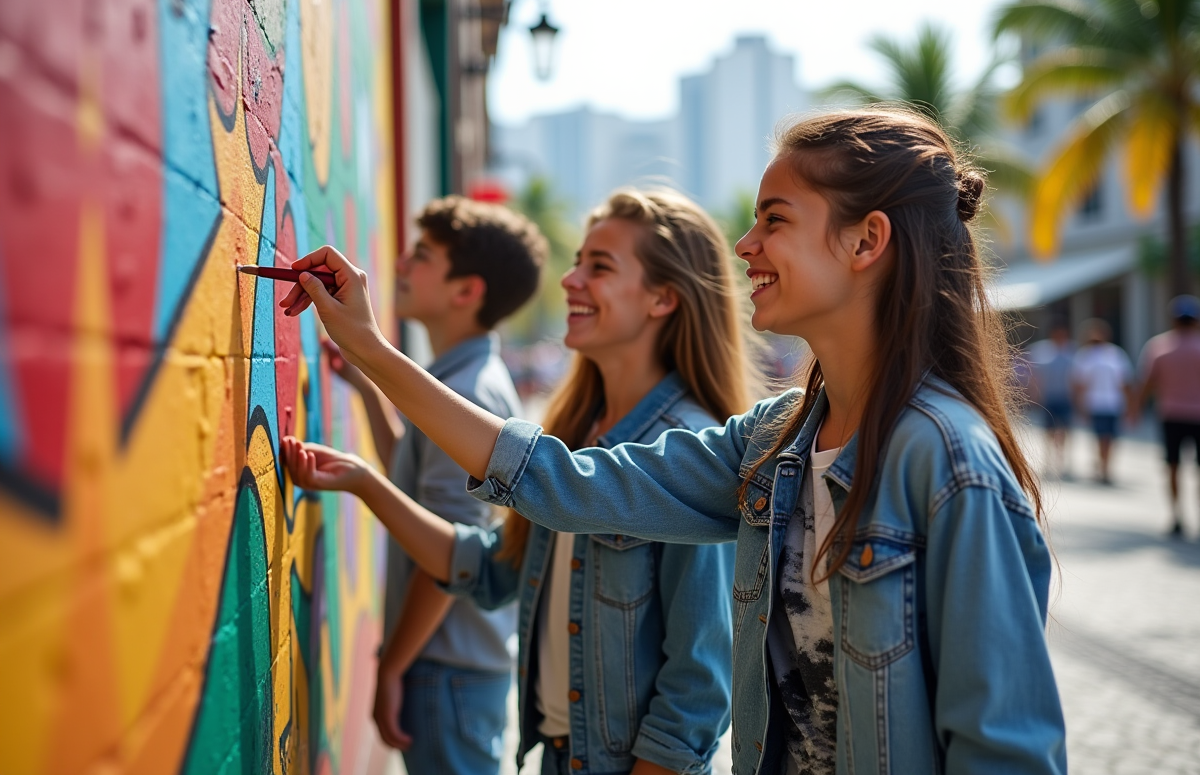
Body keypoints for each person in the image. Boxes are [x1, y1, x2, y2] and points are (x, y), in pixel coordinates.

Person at [279, 108, 1067, 774]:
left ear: (866, 243)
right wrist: (374, 352)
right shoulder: (771, 443)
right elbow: (558, 481)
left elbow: (1005, 751)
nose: (746, 244)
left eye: (775, 219)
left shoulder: (951, 462)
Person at [286, 189, 745, 775]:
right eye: (577, 260)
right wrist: (365, 483)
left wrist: (370, 348)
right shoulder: (576, 433)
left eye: (598, 267)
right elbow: (493, 570)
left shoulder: (687, 450)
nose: (571, 280)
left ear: (663, 298)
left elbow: (699, 688)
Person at [321, 196, 546, 774]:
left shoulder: (468, 391)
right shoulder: (460, 382)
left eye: (422, 255)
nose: (399, 264)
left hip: (444, 669)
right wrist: (370, 389)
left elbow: (452, 551)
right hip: (453, 667)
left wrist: (392, 665)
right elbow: (416, 475)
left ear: (465, 291)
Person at [1133, 294, 1200, 537]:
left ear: (1173, 319)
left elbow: (1147, 383)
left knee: (1173, 466)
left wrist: (1135, 410)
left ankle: (1177, 515)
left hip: (1171, 414)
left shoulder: (1159, 347)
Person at [1071, 318, 1134, 485]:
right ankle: (1103, 467)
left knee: (1111, 438)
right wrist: (1080, 404)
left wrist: (1130, 405)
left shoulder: (1115, 354)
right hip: (1095, 403)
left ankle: (1105, 466)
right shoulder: (1085, 355)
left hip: (1113, 403)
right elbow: (1079, 384)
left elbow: (1124, 382)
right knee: (1100, 437)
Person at [1027, 321, 1076, 479]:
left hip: (1066, 397)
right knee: (1049, 430)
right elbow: (1035, 376)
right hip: (1049, 397)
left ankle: (1062, 461)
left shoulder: (1073, 352)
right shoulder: (1041, 351)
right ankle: (1048, 461)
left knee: (1065, 430)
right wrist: (1035, 394)